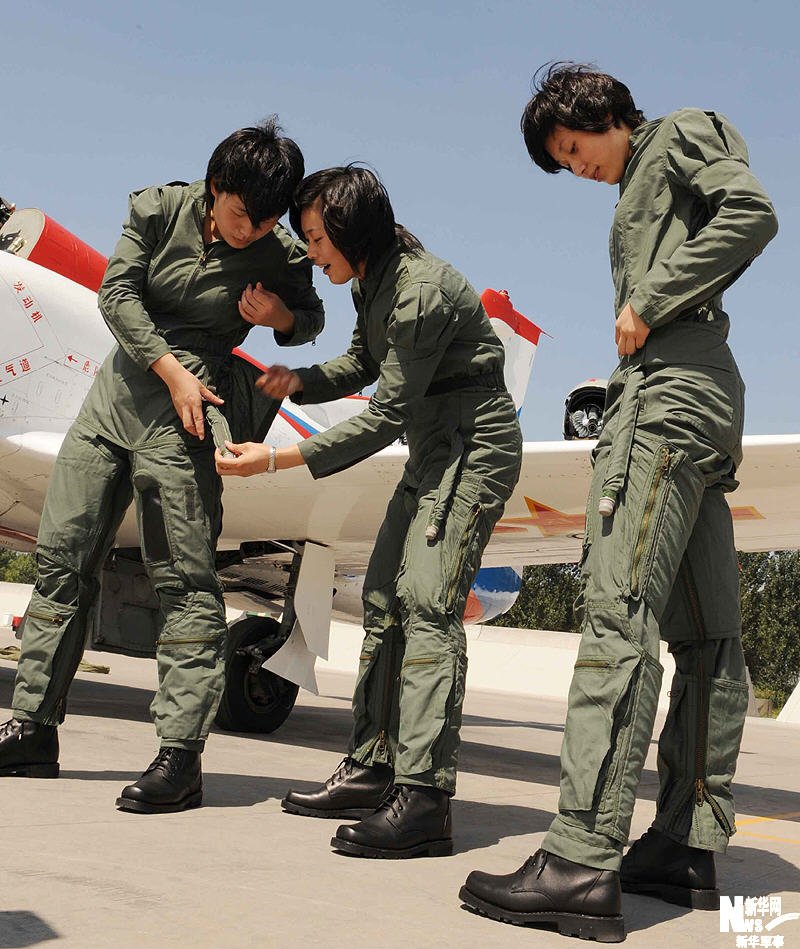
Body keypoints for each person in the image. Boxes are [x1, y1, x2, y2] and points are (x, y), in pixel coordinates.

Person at [460, 64, 778, 942]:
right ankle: (683, 842)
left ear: (601, 115)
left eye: (573, 148)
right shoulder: (648, 173)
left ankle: (579, 858)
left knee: (616, 614)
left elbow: (752, 213)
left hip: (668, 399)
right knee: (707, 634)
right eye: (562, 164)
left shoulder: (672, 137)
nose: (577, 169)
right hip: (701, 405)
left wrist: (650, 297)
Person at [0, 118, 324, 813]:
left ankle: (181, 754)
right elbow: (116, 295)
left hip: (190, 413)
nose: (252, 230)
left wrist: (280, 318)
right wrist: (169, 369)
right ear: (216, 189)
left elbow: (312, 316)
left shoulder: (276, 250)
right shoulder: (156, 209)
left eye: (266, 219)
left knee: (183, 576)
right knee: (62, 557)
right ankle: (33, 728)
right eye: (242, 214)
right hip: (117, 398)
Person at [216, 165, 522, 858]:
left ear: (352, 229)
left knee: (428, 604)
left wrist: (274, 459)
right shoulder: (373, 282)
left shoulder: (421, 291)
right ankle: (372, 765)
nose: (312, 252)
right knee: (381, 594)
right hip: (433, 450)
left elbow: (385, 414)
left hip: (472, 451)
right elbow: (363, 361)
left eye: (317, 238)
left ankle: (425, 797)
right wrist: (300, 378)